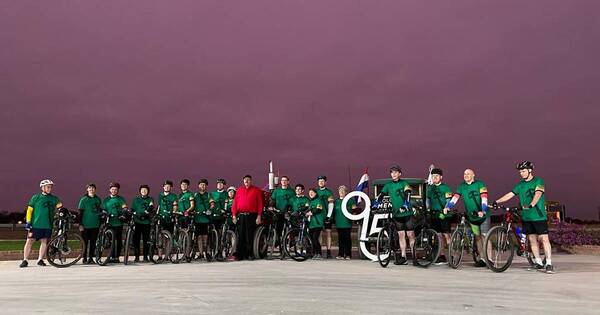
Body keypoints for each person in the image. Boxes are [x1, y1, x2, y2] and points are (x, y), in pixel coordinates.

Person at [494, 161, 554, 274]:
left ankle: (549, 263)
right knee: (532, 240)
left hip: (538, 216)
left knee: (544, 239)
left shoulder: (538, 181)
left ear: (530, 170)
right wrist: (497, 201)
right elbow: (510, 194)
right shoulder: (520, 185)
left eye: (523, 171)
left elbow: (538, 194)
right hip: (526, 217)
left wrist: (531, 204)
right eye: (520, 171)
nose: (521, 173)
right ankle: (538, 263)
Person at [443, 169, 490, 267]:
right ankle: (482, 259)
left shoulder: (480, 184)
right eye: (464, 174)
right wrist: (448, 207)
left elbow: (484, 198)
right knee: (477, 237)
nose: (466, 175)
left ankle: (489, 259)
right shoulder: (461, 186)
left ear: (473, 175)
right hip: (472, 217)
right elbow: (455, 198)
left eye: (468, 173)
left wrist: (483, 210)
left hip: (483, 215)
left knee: (485, 236)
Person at [376, 165, 414, 265]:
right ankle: (403, 257)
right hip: (397, 214)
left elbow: (408, 194)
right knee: (401, 235)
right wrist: (376, 204)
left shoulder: (404, 183)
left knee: (410, 234)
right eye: (392, 172)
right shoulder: (388, 185)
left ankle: (414, 256)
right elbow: (381, 195)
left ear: (400, 174)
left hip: (407, 213)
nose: (393, 174)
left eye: (396, 172)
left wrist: (405, 205)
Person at [20, 179, 63, 268]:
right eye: (47, 187)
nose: (49, 189)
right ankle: (25, 260)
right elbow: (29, 210)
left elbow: (60, 208)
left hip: (48, 225)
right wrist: (28, 221)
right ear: (42, 188)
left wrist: (62, 211)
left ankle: (40, 259)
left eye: (50, 187)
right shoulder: (36, 197)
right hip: (35, 224)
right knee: (29, 241)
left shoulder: (55, 199)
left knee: (44, 242)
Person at [231, 175, 263, 261]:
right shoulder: (239, 190)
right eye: (245, 180)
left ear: (251, 181)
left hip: (251, 216)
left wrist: (259, 216)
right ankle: (240, 255)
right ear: (243, 181)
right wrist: (234, 215)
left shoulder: (256, 190)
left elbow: (260, 204)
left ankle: (249, 254)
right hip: (241, 216)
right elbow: (235, 203)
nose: (246, 181)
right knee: (240, 235)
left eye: (248, 180)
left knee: (249, 235)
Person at [425, 168, 453, 264]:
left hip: (445, 215)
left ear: (441, 177)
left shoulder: (446, 187)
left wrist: (446, 208)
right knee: (438, 236)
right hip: (434, 215)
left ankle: (451, 255)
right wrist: (427, 208)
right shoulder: (430, 188)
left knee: (446, 235)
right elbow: (427, 200)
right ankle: (441, 255)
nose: (435, 178)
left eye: (437, 176)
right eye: (433, 176)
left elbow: (449, 200)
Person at [102, 182, 128, 263]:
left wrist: (123, 213)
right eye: (112, 189)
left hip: (118, 223)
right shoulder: (106, 200)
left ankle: (117, 257)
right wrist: (105, 214)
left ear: (118, 190)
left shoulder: (121, 199)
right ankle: (111, 256)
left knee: (118, 240)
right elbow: (103, 209)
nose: (114, 191)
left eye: (115, 189)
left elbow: (124, 207)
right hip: (109, 223)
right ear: (110, 190)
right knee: (110, 240)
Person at [78, 183, 102, 264]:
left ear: (95, 189)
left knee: (93, 242)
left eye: (93, 188)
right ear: (87, 189)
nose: (91, 189)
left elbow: (100, 211)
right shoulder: (83, 199)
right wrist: (80, 224)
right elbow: (80, 213)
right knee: (84, 243)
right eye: (89, 188)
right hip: (85, 225)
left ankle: (91, 258)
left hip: (95, 225)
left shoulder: (98, 199)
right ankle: (84, 258)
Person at [131, 185, 154, 262]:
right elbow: (132, 209)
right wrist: (133, 213)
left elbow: (151, 207)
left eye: (145, 190)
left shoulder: (150, 199)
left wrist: (145, 213)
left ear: (148, 191)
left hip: (146, 222)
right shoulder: (136, 200)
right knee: (136, 240)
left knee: (146, 240)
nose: (144, 191)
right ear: (140, 191)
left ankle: (145, 256)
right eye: (142, 190)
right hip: (137, 222)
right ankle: (136, 256)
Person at [333, 185, 357, 260]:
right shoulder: (336, 201)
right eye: (340, 191)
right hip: (339, 223)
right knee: (340, 239)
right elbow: (333, 211)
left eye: (343, 191)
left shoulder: (350, 200)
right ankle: (340, 254)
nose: (341, 192)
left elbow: (354, 210)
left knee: (347, 239)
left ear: (346, 192)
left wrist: (353, 210)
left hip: (347, 223)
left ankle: (348, 254)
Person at [269, 175, 295, 241]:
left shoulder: (292, 191)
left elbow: (294, 201)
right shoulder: (276, 191)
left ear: (288, 182)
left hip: (288, 212)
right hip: (279, 212)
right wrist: (271, 206)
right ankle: (278, 241)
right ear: (280, 182)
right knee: (278, 227)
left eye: (285, 180)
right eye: (282, 180)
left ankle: (290, 242)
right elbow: (272, 200)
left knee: (290, 228)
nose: (283, 182)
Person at [316, 176, 335, 259]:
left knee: (328, 233)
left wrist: (328, 215)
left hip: (327, 215)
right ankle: (319, 251)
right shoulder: (315, 192)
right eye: (319, 181)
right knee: (319, 234)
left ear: (325, 182)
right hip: (318, 216)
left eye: (322, 181)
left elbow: (331, 204)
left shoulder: (329, 192)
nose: (321, 182)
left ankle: (328, 252)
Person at [307, 188, 326, 259]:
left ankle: (319, 253)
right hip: (311, 224)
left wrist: (311, 212)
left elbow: (318, 209)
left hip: (318, 223)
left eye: (312, 192)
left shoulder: (319, 201)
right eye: (309, 193)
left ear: (315, 193)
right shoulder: (311, 202)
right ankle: (314, 253)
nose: (311, 194)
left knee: (315, 239)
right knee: (311, 239)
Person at [194, 179, 211, 259]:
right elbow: (192, 204)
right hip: (197, 218)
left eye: (204, 185)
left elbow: (212, 204)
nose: (202, 186)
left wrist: (209, 210)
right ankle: (200, 253)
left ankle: (207, 253)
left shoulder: (208, 195)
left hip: (205, 219)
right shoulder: (195, 195)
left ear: (206, 186)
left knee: (205, 237)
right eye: (201, 184)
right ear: (198, 185)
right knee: (199, 237)